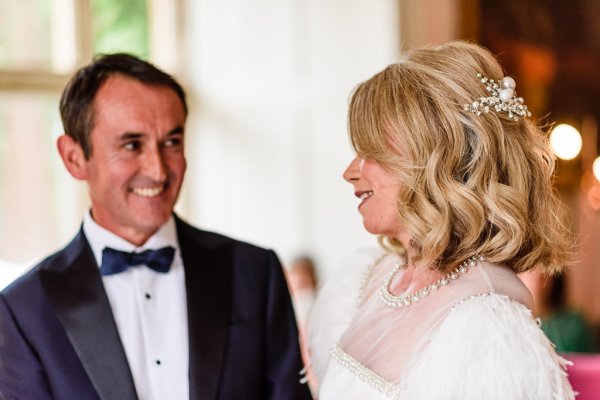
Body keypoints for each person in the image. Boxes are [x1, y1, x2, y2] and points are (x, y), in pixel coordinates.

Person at [0, 54, 311, 400]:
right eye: (132, 145)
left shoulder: (254, 274)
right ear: (74, 157)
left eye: (171, 142)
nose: (159, 170)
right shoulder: (22, 312)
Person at [308, 41, 575, 399]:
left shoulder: (487, 334)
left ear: (436, 160)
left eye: (370, 152)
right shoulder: (366, 281)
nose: (349, 173)